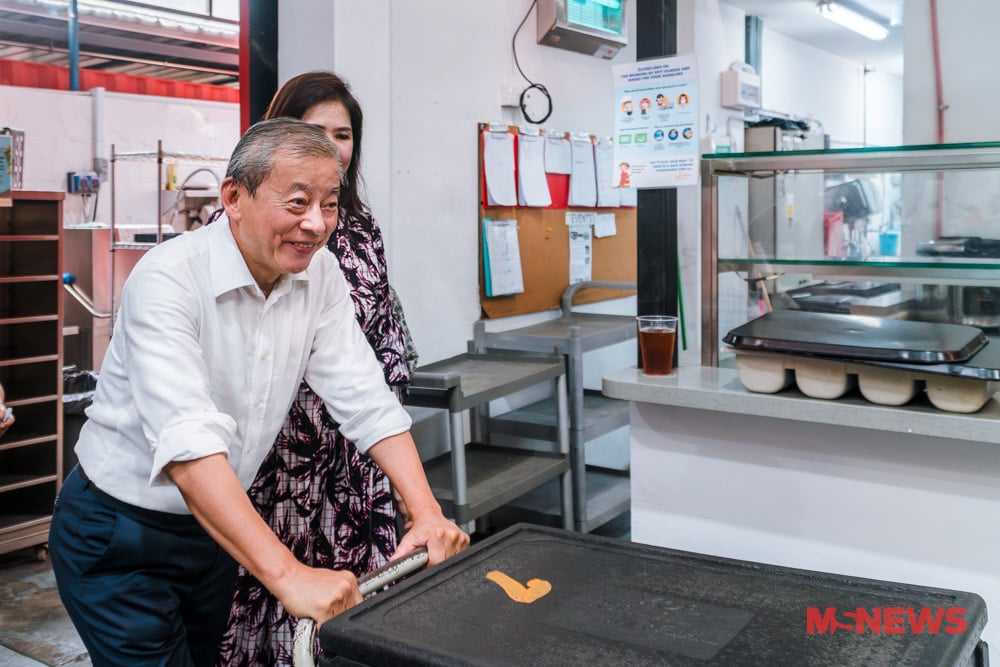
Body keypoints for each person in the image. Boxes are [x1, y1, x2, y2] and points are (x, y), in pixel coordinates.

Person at [48, 118, 469, 667]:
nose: (315, 223)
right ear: (234, 198)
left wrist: (426, 512)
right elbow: (189, 446)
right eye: (297, 202)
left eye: (329, 204)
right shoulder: (167, 278)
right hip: (119, 532)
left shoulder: (320, 276)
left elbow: (366, 398)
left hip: (215, 530)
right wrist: (290, 576)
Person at [214, 71, 423, 666]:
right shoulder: (232, 237)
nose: (331, 146)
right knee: (277, 587)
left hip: (353, 446)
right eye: (314, 131)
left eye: (343, 134)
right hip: (279, 453)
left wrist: (413, 489)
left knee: (355, 592)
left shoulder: (358, 227)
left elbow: (372, 338)